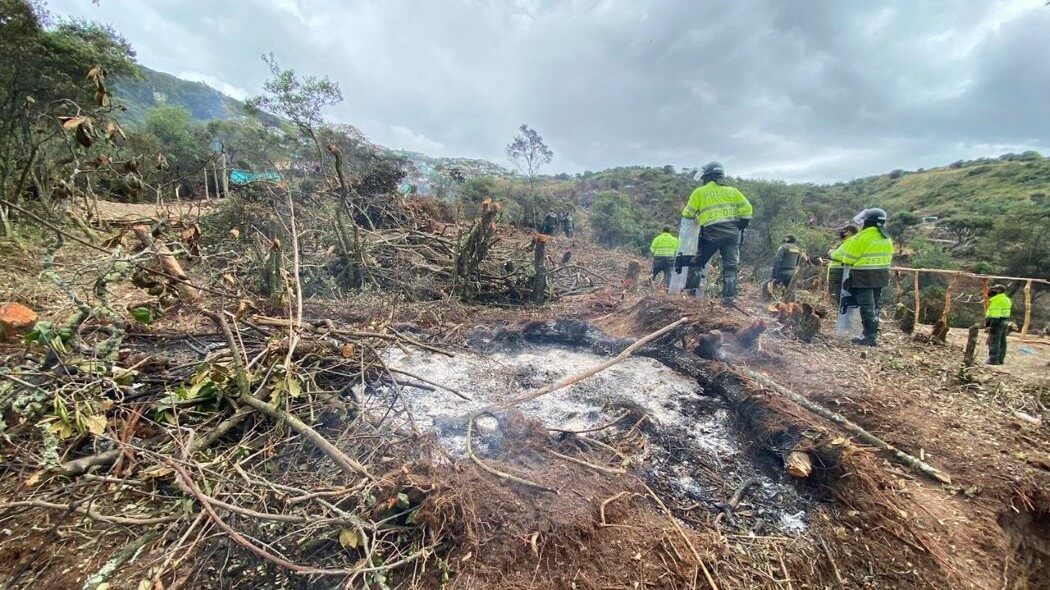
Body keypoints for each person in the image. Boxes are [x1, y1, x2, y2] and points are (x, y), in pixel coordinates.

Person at [681, 161, 753, 302]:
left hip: (711, 234)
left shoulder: (699, 192)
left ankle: (690, 297)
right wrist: (738, 227)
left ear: (707, 176)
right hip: (732, 234)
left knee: (697, 263)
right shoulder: (733, 192)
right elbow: (747, 211)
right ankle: (728, 300)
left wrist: (698, 216)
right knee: (730, 267)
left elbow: (687, 214)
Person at [830, 208, 894, 346]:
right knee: (876, 305)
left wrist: (832, 254)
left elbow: (848, 258)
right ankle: (873, 333)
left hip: (863, 276)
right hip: (880, 276)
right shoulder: (886, 238)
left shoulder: (862, 237)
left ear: (868, 221)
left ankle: (869, 337)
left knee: (867, 306)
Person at [827, 225, 858, 305]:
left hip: (841, 273)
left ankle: (844, 317)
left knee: (841, 298)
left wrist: (831, 253)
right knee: (841, 298)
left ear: (850, 232)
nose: (842, 232)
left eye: (844, 231)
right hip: (841, 273)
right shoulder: (849, 242)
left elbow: (837, 255)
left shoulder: (850, 242)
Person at [985, 284, 1012, 365]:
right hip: (1005, 321)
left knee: (994, 341)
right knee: (1002, 341)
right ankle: (1000, 359)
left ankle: (993, 359)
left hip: (997, 322)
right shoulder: (1007, 299)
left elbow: (995, 314)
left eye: (994, 290)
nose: (991, 291)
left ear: (998, 291)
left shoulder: (997, 300)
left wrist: (991, 325)